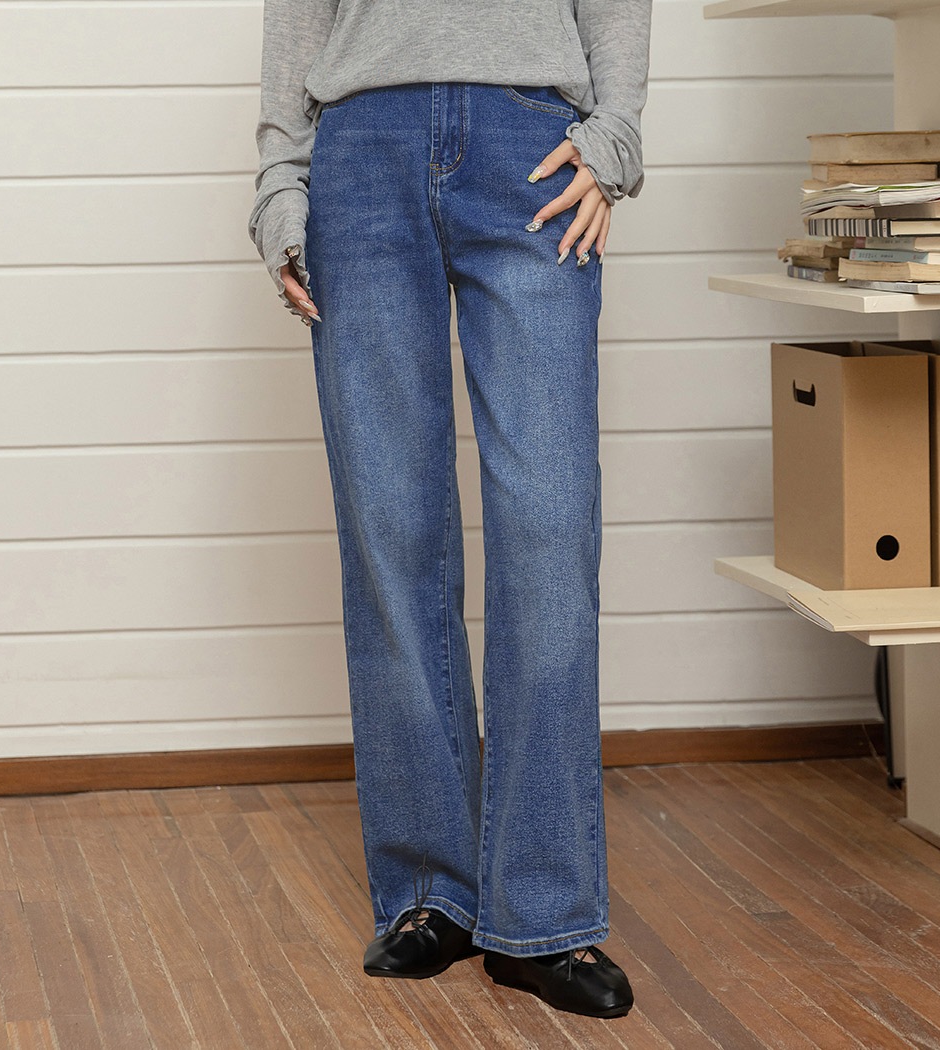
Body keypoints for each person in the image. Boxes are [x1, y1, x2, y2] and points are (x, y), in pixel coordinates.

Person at [248, 0, 652, 1021]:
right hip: (359, 159)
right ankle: (433, 890)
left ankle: (544, 912)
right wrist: (281, 183)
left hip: (530, 149)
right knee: (393, 532)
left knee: (549, 530)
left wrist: (612, 137)